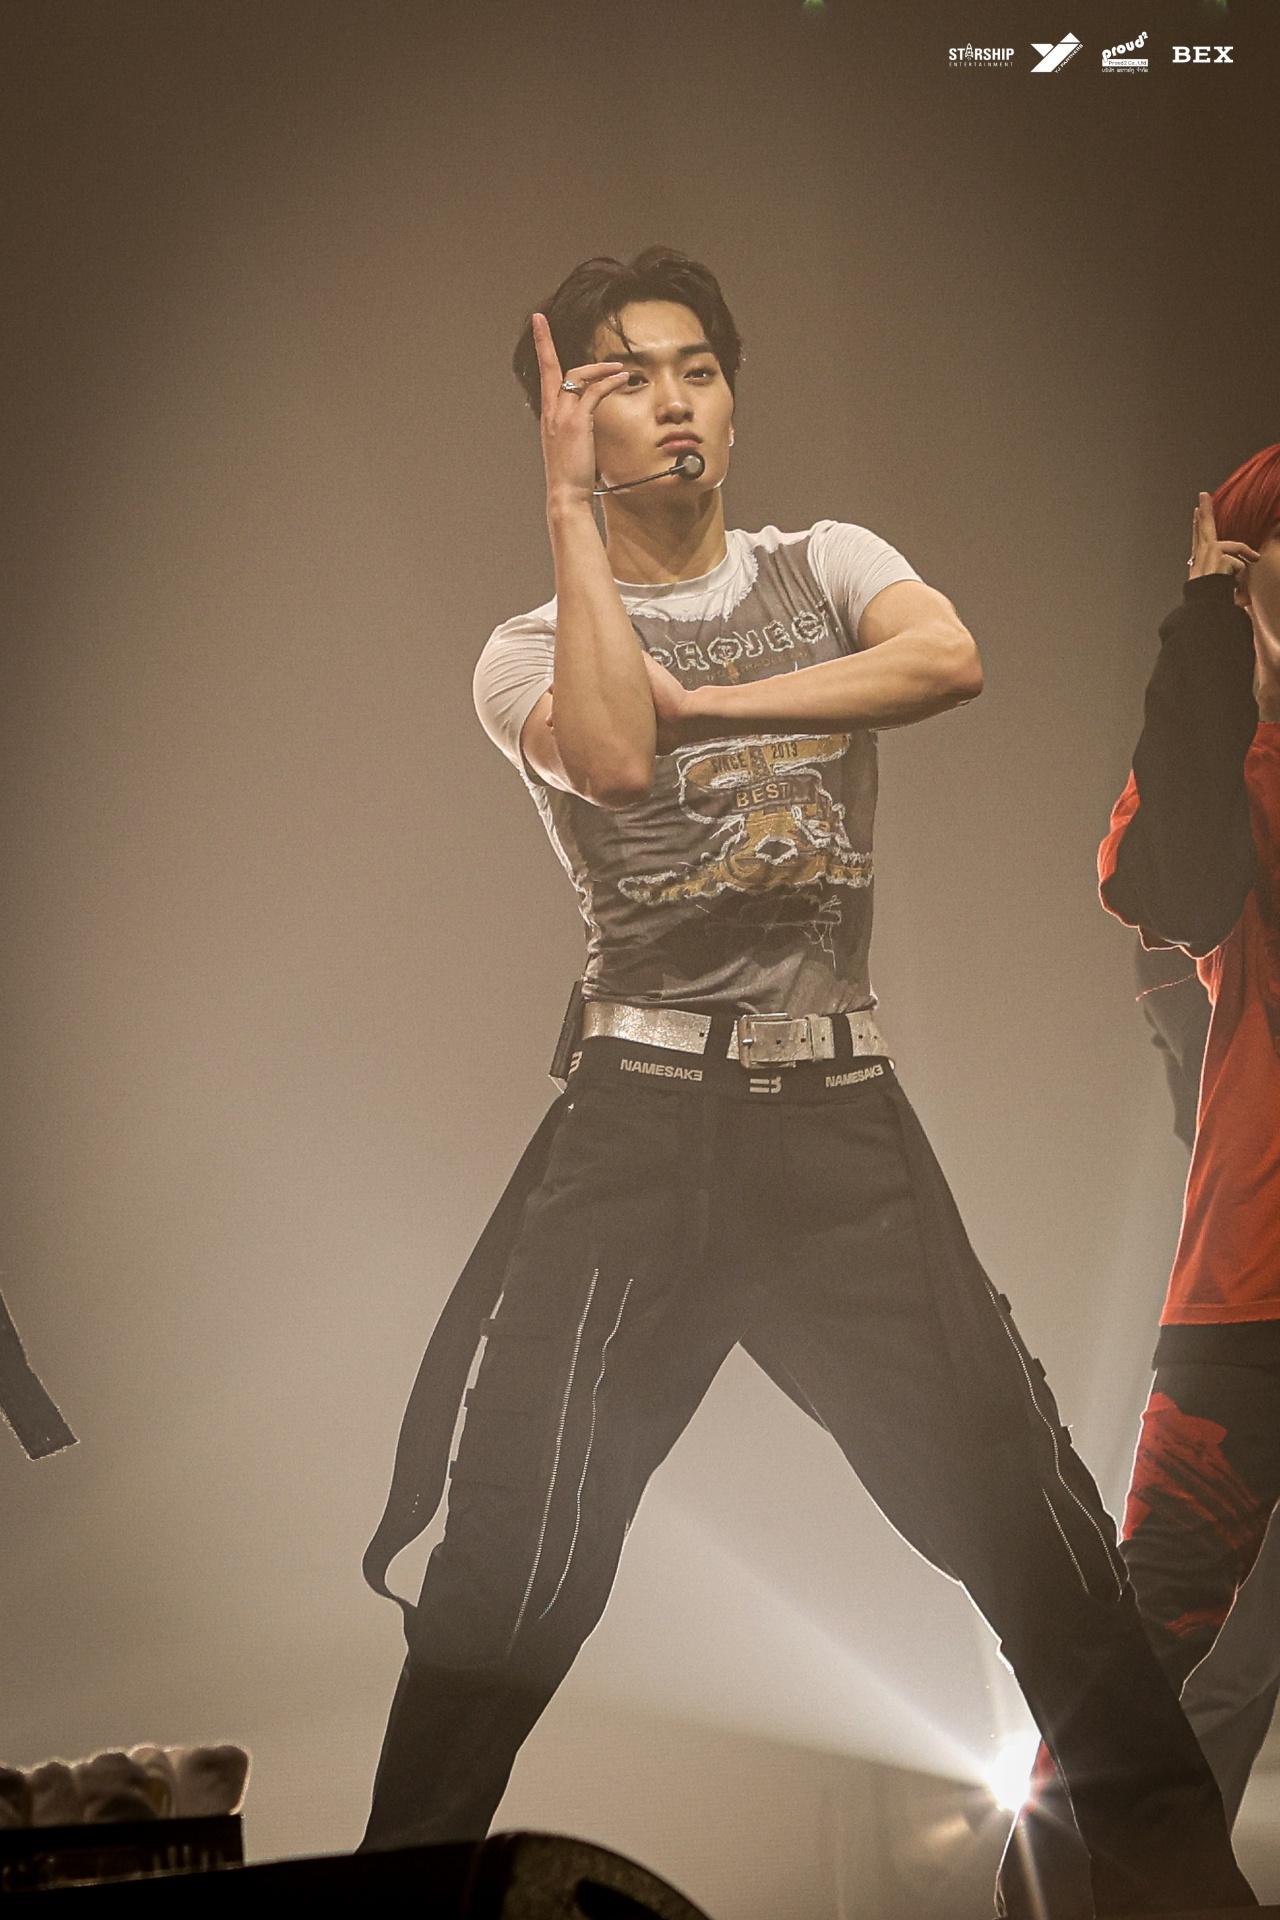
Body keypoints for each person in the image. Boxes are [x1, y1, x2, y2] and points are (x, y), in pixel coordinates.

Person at [357, 249, 1254, 1918]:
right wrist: (566, 512)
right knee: (509, 1571)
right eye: (625, 378)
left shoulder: (825, 560)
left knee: (1039, 1534)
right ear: (567, 418)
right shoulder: (525, 648)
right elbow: (608, 752)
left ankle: (1191, 1901)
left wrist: (708, 704)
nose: (675, 401)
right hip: (638, 1134)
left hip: (840, 1126)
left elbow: (947, 659)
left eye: (699, 367)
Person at [1000, 444, 1280, 1914]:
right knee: (1148, 1664)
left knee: (1222, 1677)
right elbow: (1168, 885)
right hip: (1248, 1291)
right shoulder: (1225, 771)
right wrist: (1204, 634)